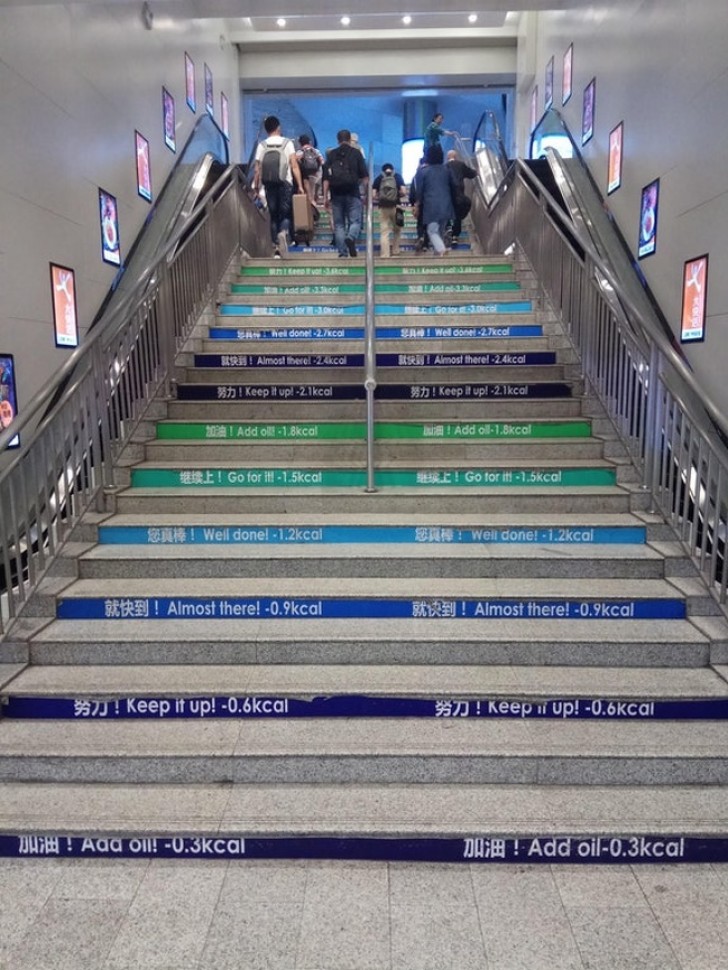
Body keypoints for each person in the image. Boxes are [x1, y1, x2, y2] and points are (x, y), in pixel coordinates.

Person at [253, 115, 303, 258]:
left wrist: (256, 187)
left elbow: (257, 169)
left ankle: (276, 249)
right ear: (278, 128)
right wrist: (300, 185)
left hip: (269, 184)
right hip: (285, 183)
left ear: (266, 129)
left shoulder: (262, 145)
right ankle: (284, 232)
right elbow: (294, 166)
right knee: (285, 214)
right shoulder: (287, 143)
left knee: (273, 216)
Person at [322, 128, 369, 257]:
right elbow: (365, 176)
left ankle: (342, 253)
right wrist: (366, 193)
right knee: (355, 222)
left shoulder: (331, 155)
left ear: (338, 140)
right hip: (353, 193)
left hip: (336, 194)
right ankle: (351, 236)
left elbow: (325, 178)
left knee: (339, 225)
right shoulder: (356, 153)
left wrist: (325, 197)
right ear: (349, 139)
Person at [412, 144, 456, 256]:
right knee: (440, 231)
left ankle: (441, 250)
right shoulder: (447, 170)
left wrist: (417, 205)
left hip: (431, 205)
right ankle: (438, 256)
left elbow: (419, 191)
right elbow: (454, 186)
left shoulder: (422, 172)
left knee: (431, 231)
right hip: (446, 205)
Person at [372, 162, 406, 257]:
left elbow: (373, 195)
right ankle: (395, 250)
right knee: (397, 229)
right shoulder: (397, 177)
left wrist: (381, 198)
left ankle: (385, 254)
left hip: (383, 207)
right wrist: (396, 196)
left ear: (382, 170)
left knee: (384, 232)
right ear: (392, 169)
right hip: (397, 207)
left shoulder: (378, 178)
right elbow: (403, 191)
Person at [446, 149, 478, 242]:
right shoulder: (461, 165)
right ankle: (455, 235)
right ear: (456, 157)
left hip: (448, 194)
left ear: (447, 157)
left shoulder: (445, 167)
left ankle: (448, 228)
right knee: (458, 213)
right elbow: (470, 173)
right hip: (459, 193)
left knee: (448, 212)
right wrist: (477, 172)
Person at [296, 134, 324, 211]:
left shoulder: (299, 152)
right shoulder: (316, 151)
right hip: (316, 177)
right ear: (309, 142)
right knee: (314, 197)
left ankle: (309, 215)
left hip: (305, 178)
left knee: (308, 197)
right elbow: (322, 162)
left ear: (300, 143)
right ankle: (315, 214)